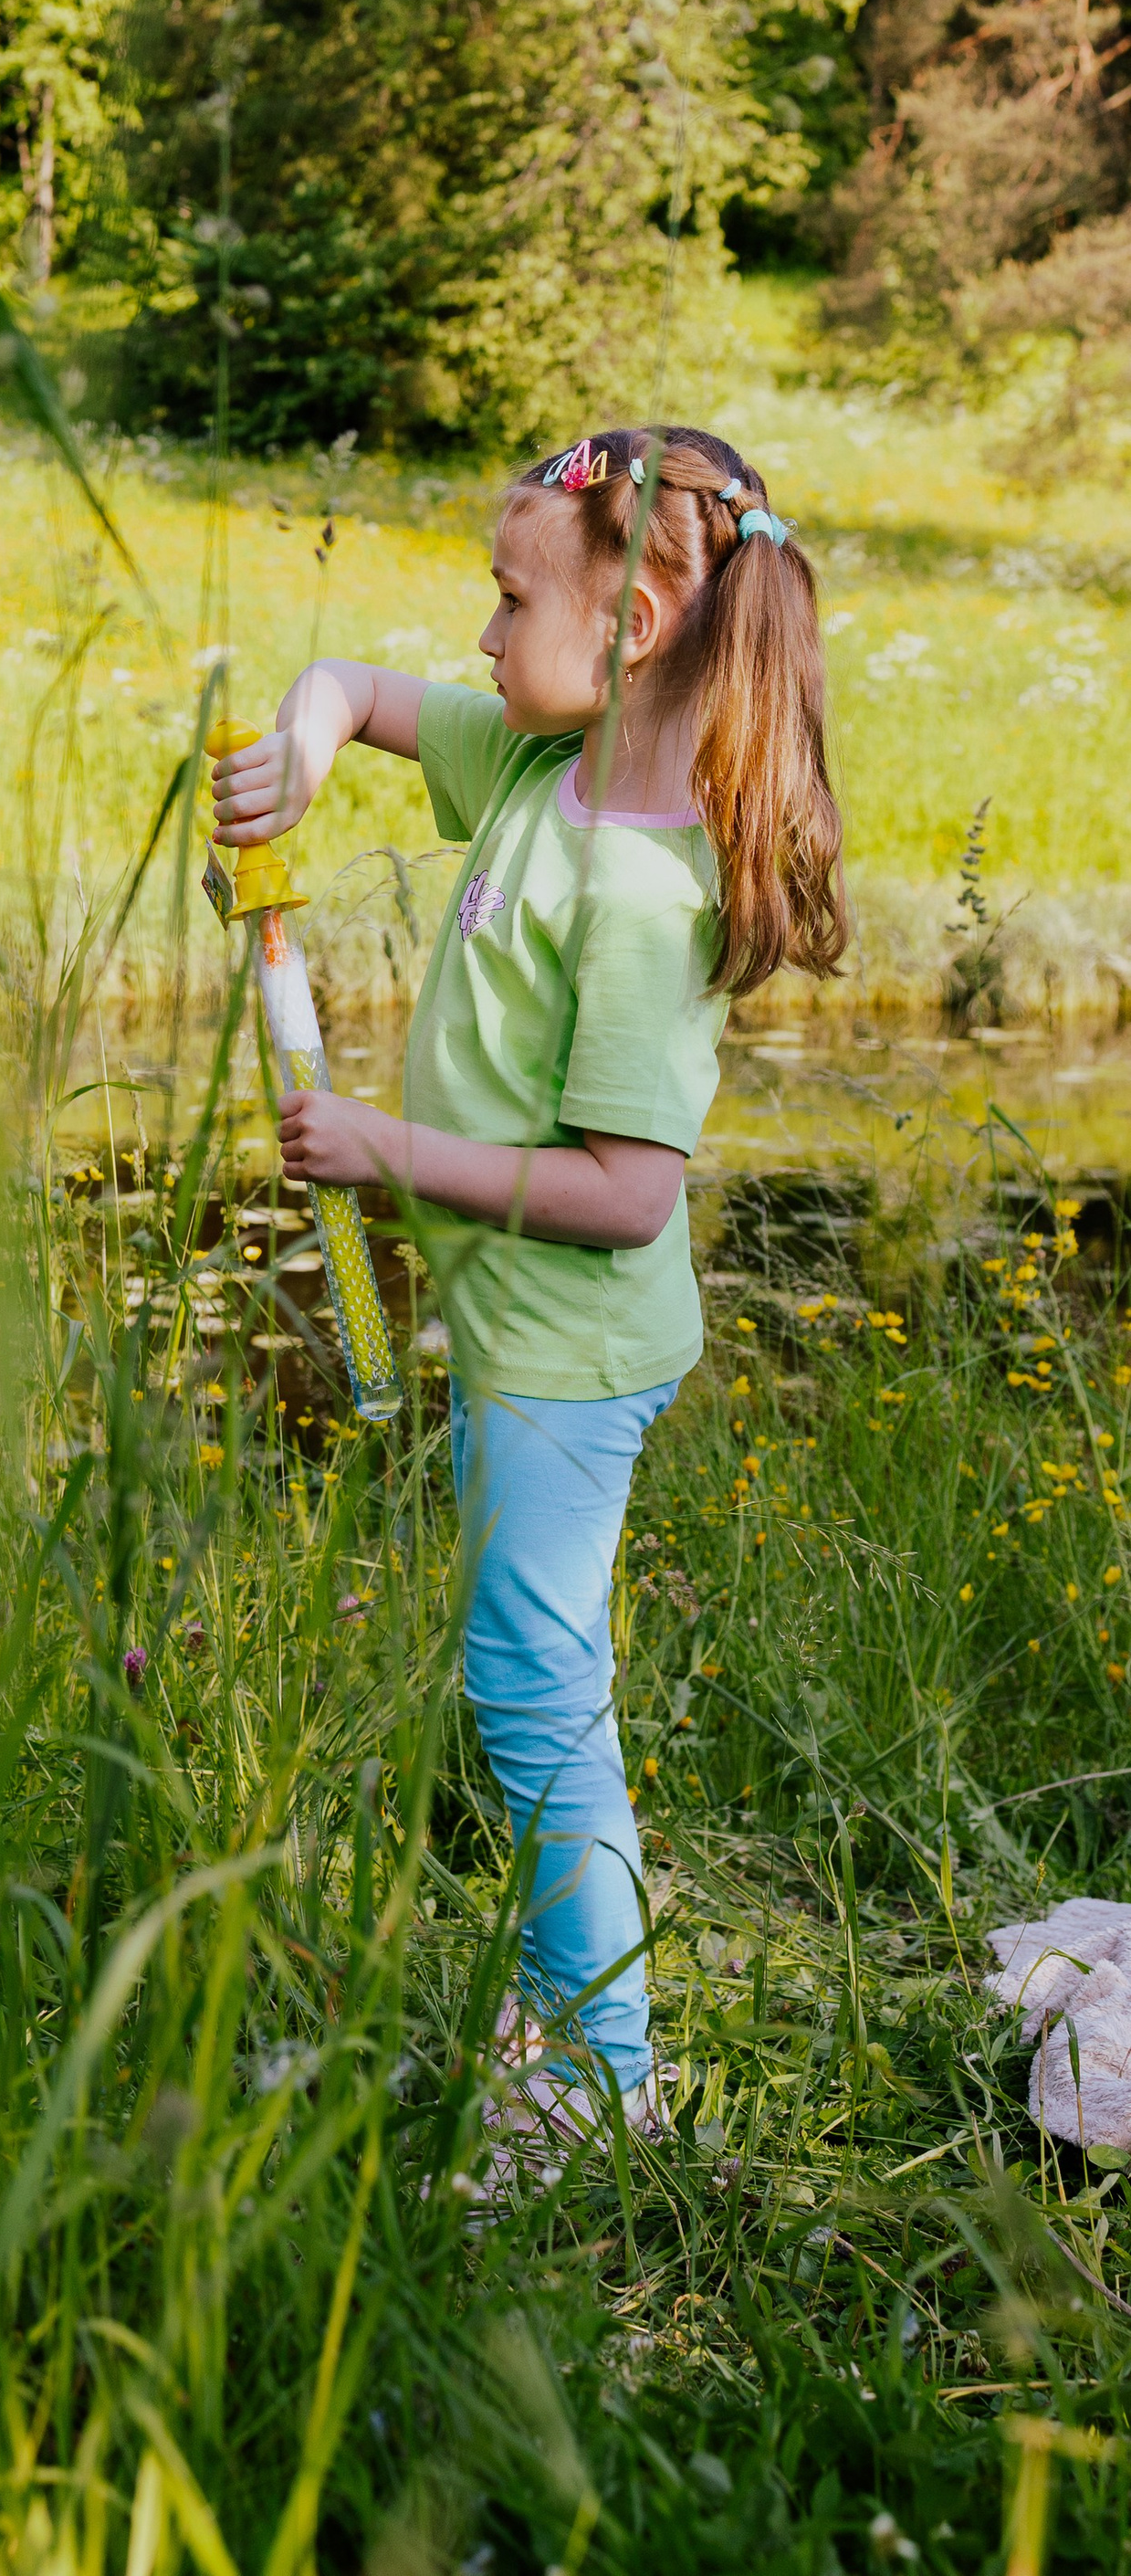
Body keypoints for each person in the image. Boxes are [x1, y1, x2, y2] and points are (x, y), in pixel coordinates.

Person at [213, 425, 844, 2176]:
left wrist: (386, 1153)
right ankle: (576, 2011)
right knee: (533, 1672)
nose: (483, 638)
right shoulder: (537, 768)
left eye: (510, 599)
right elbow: (348, 680)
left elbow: (629, 1192)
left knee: (531, 1688)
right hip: (518, 1346)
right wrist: (304, 750)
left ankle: (605, 2074)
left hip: (570, 1358)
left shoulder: (644, 888)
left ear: (635, 622)